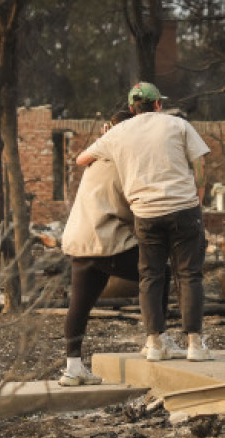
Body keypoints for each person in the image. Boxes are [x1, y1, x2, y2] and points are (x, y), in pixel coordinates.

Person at [76, 82, 213, 362]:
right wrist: (197, 202)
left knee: (151, 276)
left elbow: (81, 159)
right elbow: (199, 167)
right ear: (158, 104)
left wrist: (107, 139)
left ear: (131, 108)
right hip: (184, 208)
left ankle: (154, 343)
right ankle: (195, 344)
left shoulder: (119, 133)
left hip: (146, 213)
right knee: (189, 275)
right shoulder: (178, 125)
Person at [58, 110, 183, 387]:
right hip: (107, 239)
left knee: (80, 305)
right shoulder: (124, 160)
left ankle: (73, 367)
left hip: (81, 240)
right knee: (156, 273)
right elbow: (138, 203)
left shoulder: (98, 157)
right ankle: (157, 339)